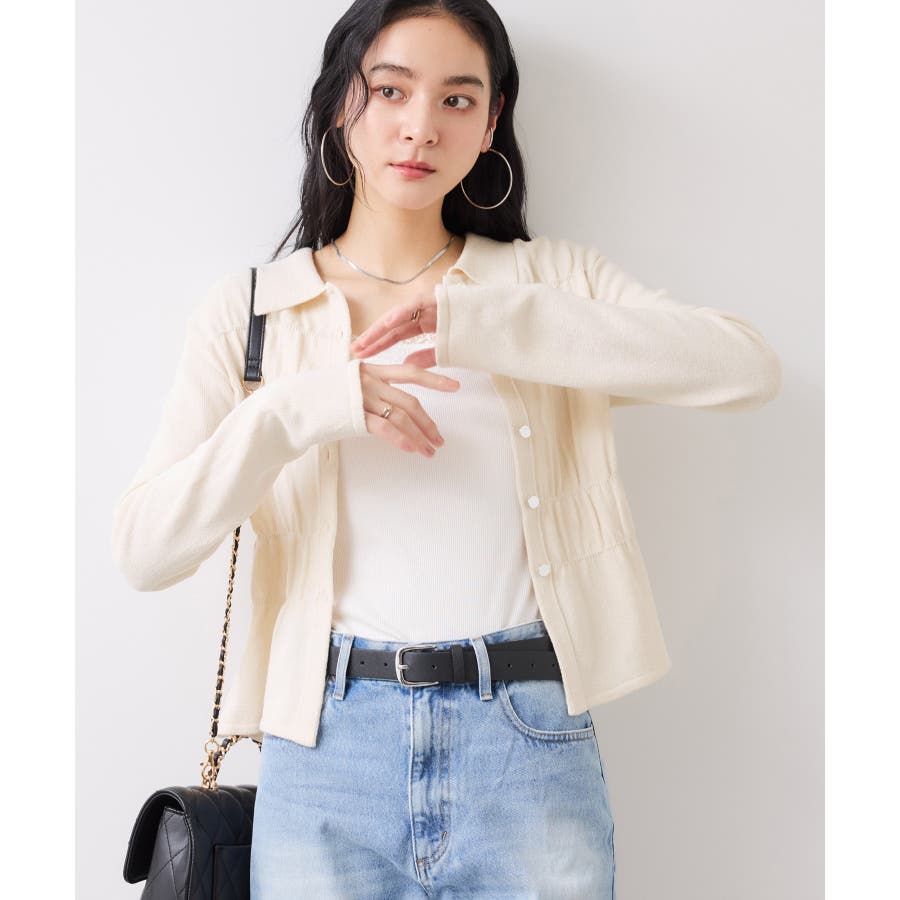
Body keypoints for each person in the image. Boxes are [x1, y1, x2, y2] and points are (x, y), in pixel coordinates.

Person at [111, 1, 782, 897]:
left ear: (491, 122)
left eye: (458, 100)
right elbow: (145, 551)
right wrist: (295, 413)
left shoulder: (545, 282)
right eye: (391, 90)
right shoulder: (254, 313)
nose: (421, 126)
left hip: (527, 739)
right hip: (326, 746)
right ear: (340, 103)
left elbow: (745, 367)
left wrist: (487, 323)